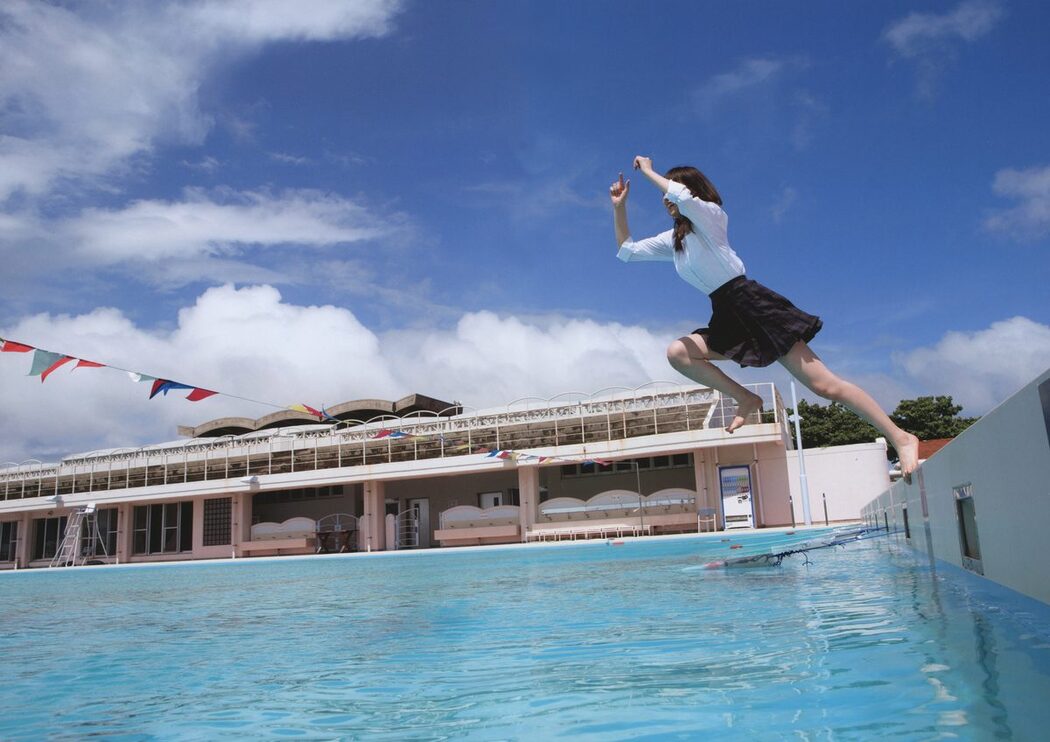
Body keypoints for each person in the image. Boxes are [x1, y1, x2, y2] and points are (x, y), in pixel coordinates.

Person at [610, 156, 919, 479]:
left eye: (671, 190)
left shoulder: (711, 216)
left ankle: (901, 437)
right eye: (664, 194)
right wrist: (620, 207)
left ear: (693, 191)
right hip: (725, 313)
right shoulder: (675, 240)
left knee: (825, 386)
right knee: (679, 353)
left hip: (755, 306)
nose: (666, 198)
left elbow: (682, 197)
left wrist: (648, 172)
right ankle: (745, 398)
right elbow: (627, 251)